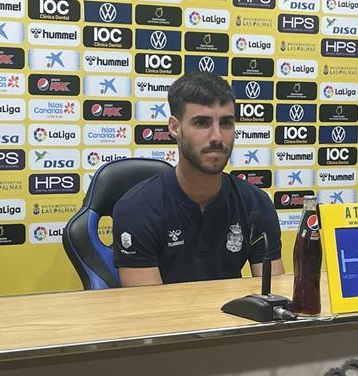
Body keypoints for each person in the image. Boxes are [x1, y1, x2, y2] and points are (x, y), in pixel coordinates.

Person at [112, 71, 284, 287]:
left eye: (226, 123)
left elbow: (273, 295)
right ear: (175, 128)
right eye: (202, 123)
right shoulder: (137, 209)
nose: (217, 137)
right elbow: (150, 311)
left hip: (235, 318)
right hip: (168, 319)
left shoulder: (256, 205)